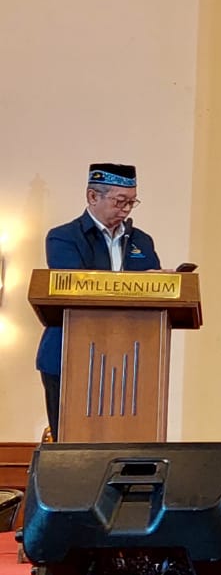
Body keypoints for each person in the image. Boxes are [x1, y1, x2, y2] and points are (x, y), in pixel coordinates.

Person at [35, 163, 162, 439]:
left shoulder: (141, 241)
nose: (126, 210)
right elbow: (75, 286)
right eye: (120, 201)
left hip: (131, 359)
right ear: (93, 196)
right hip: (70, 356)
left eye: (131, 202)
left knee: (125, 443)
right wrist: (136, 284)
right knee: (72, 446)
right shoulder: (63, 237)